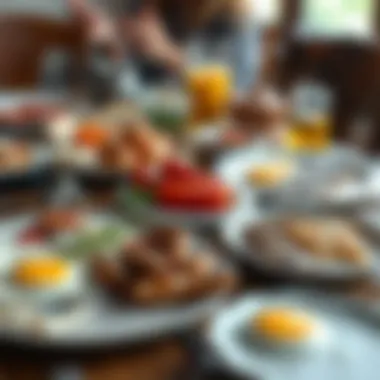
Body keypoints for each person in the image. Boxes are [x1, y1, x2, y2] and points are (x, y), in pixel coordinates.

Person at [68, 0, 261, 89]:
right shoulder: (151, 7)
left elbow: (238, 88)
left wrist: (171, 56)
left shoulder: (238, 17)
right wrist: (113, 50)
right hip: (152, 131)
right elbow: (130, 89)